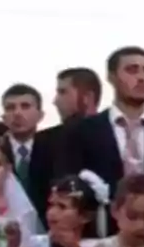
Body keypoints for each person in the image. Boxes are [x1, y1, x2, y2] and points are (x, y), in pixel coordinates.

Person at [64, 49, 144, 226]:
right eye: (132, 70)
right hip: (101, 234)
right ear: (111, 77)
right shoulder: (83, 131)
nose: (141, 77)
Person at [30, 67, 102, 207]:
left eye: (63, 92)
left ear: (87, 97)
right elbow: (37, 195)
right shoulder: (45, 140)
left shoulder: (115, 135)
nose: (55, 101)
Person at [0, 84, 49, 216]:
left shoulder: (54, 150)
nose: (17, 113)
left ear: (40, 115)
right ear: (3, 117)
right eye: (10, 108)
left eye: (25, 106)